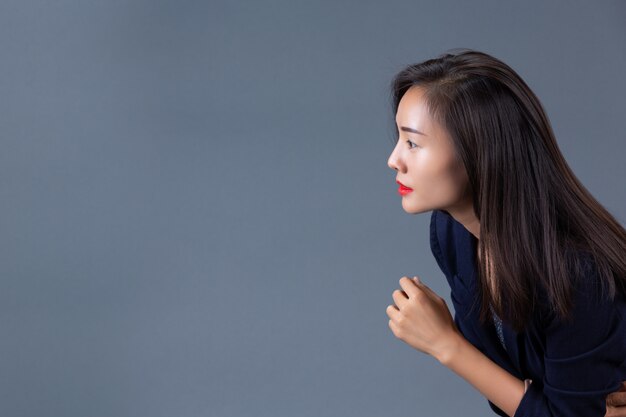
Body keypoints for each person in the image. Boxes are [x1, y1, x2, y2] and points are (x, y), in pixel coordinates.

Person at [384, 48, 626, 416]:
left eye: (413, 143)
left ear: (478, 153)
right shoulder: (452, 234)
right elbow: (522, 393)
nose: (394, 159)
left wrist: (447, 344)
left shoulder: (576, 274)